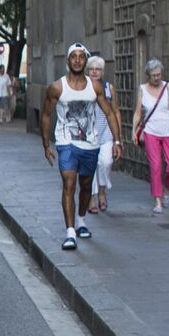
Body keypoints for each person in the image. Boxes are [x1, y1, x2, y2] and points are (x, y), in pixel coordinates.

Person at [41, 43, 124, 250]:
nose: (77, 60)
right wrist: (46, 144)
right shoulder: (57, 87)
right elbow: (46, 115)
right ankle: (70, 233)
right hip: (66, 143)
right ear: (68, 61)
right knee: (69, 184)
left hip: (90, 144)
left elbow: (110, 113)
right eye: (73, 57)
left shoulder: (95, 87)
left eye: (81, 57)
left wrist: (117, 140)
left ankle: (81, 220)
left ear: (85, 61)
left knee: (86, 185)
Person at [129, 58, 169, 215]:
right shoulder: (142, 89)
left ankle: (165, 188)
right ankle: (158, 199)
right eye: (153, 75)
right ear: (148, 75)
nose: (157, 78)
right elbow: (138, 112)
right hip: (151, 132)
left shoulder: (168, 86)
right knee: (155, 166)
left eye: (159, 74)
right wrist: (134, 131)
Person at [85, 55, 120, 211]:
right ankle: (92, 198)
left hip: (106, 132)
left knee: (106, 162)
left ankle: (102, 190)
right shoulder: (82, 87)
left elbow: (115, 111)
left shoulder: (108, 88)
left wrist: (118, 138)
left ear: (102, 71)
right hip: (88, 133)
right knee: (90, 166)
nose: (94, 72)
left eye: (97, 69)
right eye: (91, 69)